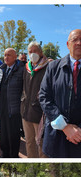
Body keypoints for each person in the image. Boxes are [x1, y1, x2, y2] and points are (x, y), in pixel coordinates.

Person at [39, 29, 81, 157]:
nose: (79, 43)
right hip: (56, 136)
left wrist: (78, 131)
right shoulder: (53, 67)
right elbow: (44, 96)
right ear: (68, 44)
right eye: (75, 40)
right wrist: (65, 127)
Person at [21, 42, 49, 158]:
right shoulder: (27, 68)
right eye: (30, 52)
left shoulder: (48, 67)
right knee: (29, 142)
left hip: (39, 114)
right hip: (26, 112)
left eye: (35, 51)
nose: (33, 54)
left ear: (41, 52)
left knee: (41, 144)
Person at [0, 48, 24, 158]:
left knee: (14, 133)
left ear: (15, 57)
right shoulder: (2, 69)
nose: (6, 57)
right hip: (3, 106)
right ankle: (5, 153)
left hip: (14, 107)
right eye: (4, 55)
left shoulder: (21, 70)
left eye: (9, 55)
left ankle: (14, 155)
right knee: (3, 132)